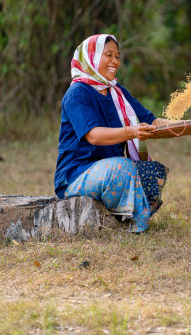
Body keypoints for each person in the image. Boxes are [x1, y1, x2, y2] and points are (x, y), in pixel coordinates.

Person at [54, 34, 171, 233]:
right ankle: (135, 226)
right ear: (91, 58)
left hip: (109, 170)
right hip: (75, 176)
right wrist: (131, 131)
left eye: (117, 56)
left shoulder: (117, 92)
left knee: (154, 172)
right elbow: (94, 136)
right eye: (108, 55)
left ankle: (118, 217)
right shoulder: (77, 93)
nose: (115, 61)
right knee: (122, 168)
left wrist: (183, 127)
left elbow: (150, 121)